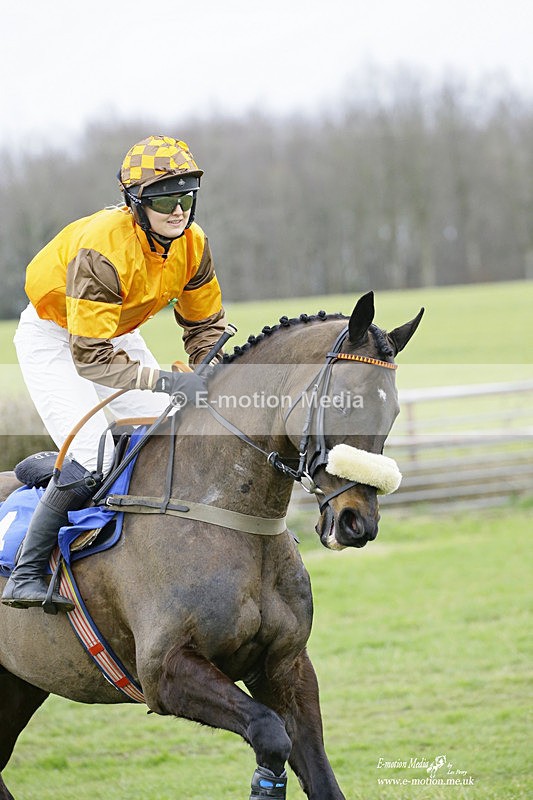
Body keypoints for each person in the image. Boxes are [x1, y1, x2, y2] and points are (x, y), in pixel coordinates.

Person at [2, 135, 226, 612]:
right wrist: (166, 381)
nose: (178, 210)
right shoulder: (105, 247)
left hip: (114, 331)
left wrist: (210, 367)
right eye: (165, 198)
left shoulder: (194, 244)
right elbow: (90, 358)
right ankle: (25, 571)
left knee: (169, 431)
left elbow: (204, 323)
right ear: (136, 203)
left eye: (186, 196)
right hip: (58, 339)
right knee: (92, 455)